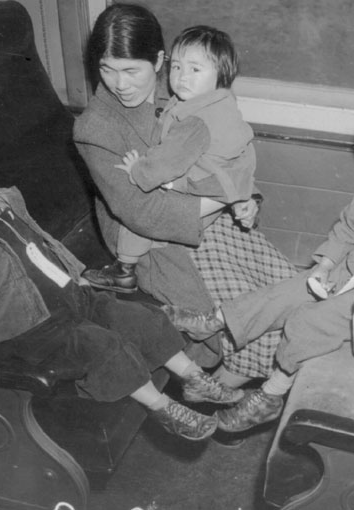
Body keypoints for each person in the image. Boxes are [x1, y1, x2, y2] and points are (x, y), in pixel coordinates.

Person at [164, 81, 354, 432]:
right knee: (288, 290)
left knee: (306, 322)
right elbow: (348, 228)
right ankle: (215, 321)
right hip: (351, 272)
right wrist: (324, 265)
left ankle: (270, 395)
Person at [0, 133, 245, 442]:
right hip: (30, 331)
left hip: (70, 296)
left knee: (142, 318)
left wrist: (76, 273)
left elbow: (43, 242)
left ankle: (193, 377)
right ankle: (163, 407)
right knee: (104, 345)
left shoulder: (3, 202)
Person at [73, 3, 295, 387]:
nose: (119, 84)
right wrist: (225, 196)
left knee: (289, 289)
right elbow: (140, 210)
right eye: (107, 70)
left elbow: (228, 153)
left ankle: (239, 385)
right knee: (251, 316)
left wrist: (246, 199)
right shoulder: (95, 126)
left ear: (160, 61)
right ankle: (228, 393)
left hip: (212, 219)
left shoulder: (188, 86)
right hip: (154, 241)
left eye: (131, 71)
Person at [83, 25, 256, 294]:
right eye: (177, 67)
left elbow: (161, 166)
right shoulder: (218, 102)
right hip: (184, 214)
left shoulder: (195, 117)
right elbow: (140, 212)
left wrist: (138, 169)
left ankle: (124, 269)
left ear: (155, 61)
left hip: (200, 198)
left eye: (194, 70)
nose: (182, 77)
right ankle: (126, 269)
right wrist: (236, 194)